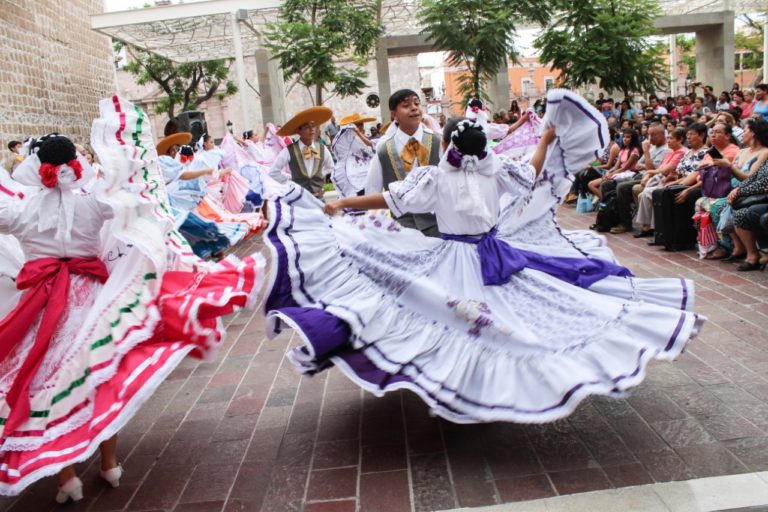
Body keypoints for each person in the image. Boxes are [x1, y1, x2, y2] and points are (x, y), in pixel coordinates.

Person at [261, 89, 704, 425]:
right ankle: (486, 376)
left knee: (463, 315)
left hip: (460, 254)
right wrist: (546, 138)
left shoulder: (447, 174)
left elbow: (389, 197)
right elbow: (524, 173)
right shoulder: (484, 170)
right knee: (493, 312)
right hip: (476, 250)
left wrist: (343, 206)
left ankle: (473, 379)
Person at [0, 98, 264, 500]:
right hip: (93, 298)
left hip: (41, 304)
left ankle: (66, 478)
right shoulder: (93, 200)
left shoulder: (20, 210)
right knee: (101, 374)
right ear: (75, 162)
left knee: (47, 382)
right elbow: (140, 204)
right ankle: (108, 464)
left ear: (36, 168)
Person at [365, 89, 442, 237]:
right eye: (406, 105)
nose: (414, 108)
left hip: (437, 227)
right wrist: (379, 226)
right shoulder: (384, 148)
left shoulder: (436, 141)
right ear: (394, 114)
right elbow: (372, 189)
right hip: (402, 230)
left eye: (417, 103)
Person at [610, 123, 670, 234]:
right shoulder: (651, 147)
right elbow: (638, 165)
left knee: (622, 187)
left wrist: (646, 152)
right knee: (608, 184)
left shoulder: (666, 149)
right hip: (639, 174)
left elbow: (653, 170)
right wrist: (646, 163)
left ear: (662, 134)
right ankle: (610, 219)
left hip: (651, 178)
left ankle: (625, 223)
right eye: (649, 135)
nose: (650, 138)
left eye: (653, 135)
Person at [269, 106, 334, 199]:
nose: (311, 129)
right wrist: (290, 182)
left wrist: (319, 175)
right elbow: (273, 172)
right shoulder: (289, 150)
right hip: (298, 199)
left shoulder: (322, 148)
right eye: (307, 127)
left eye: (313, 126)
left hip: (318, 198)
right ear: (298, 131)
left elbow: (331, 167)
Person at [330, 112, 377, 198]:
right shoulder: (347, 140)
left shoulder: (365, 138)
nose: (360, 126)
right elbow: (340, 149)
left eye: (361, 124)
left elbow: (371, 145)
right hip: (355, 173)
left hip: (368, 173)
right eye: (357, 124)